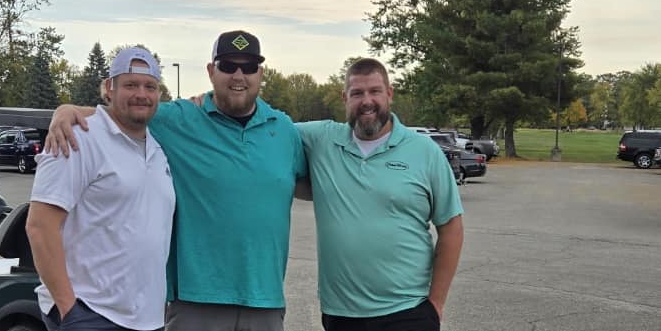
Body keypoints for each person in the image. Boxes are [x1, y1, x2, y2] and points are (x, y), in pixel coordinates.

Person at [46, 30, 307, 331]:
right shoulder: (178, 119)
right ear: (211, 71)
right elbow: (122, 113)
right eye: (227, 66)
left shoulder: (285, 130)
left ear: (260, 73)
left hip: (266, 302)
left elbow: (308, 182)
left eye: (248, 67)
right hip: (196, 303)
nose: (238, 75)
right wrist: (67, 111)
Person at [296, 58, 463, 331]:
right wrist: (205, 104)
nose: (367, 101)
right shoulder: (322, 140)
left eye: (374, 91)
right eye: (357, 93)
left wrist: (436, 303)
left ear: (389, 93)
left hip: (408, 311)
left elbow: (452, 227)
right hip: (341, 314)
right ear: (345, 98)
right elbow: (266, 126)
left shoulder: (424, 151)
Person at [26, 46, 176, 331]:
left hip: (147, 319)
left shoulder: (158, 148)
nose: (141, 94)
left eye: (150, 86)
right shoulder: (76, 137)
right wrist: (70, 311)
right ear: (109, 88)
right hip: (91, 314)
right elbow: (40, 226)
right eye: (130, 84)